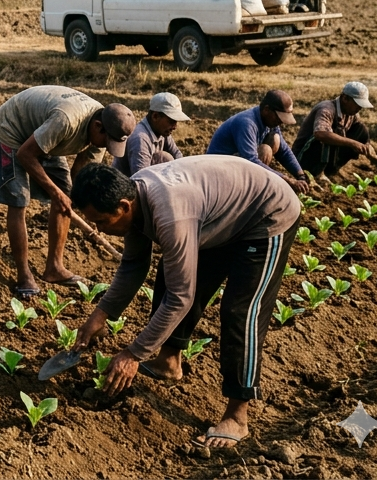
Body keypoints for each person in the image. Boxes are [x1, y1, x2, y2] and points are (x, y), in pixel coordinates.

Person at [70, 157, 300, 449]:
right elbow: (132, 267)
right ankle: (168, 362)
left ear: (124, 206)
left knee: (241, 312)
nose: (99, 229)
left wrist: (133, 353)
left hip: (266, 213)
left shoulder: (170, 214)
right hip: (221, 216)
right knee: (171, 271)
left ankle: (237, 416)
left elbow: (182, 297)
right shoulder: (134, 198)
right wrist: (97, 318)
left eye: (102, 221)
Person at [0, 85, 135, 297]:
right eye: (107, 141)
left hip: (45, 133)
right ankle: (24, 275)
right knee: (18, 199)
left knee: (65, 193)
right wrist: (56, 194)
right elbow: (25, 154)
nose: (107, 146)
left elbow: (80, 176)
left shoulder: (105, 132)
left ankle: (54, 268)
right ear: (97, 127)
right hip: (13, 128)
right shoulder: (66, 121)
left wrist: (76, 201)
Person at [206, 90, 309, 194]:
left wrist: (300, 174)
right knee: (265, 150)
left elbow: (284, 151)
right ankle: (249, 191)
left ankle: (257, 184)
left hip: (237, 163)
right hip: (219, 170)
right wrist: (286, 180)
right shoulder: (246, 123)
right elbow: (251, 160)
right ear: (266, 110)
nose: (281, 122)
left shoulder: (270, 122)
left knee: (275, 139)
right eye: (279, 117)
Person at [293, 81, 377, 180]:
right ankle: (317, 174)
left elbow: (360, 132)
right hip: (303, 158)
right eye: (357, 104)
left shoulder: (352, 113)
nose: (360, 108)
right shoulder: (326, 109)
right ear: (345, 98)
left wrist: (367, 146)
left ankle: (331, 171)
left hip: (324, 156)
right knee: (325, 137)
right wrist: (353, 143)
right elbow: (320, 134)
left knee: (360, 129)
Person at [116, 92, 189, 175]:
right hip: (127, 185)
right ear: (155, 116)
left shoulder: (163, 132)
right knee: (164, 158)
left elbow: (178, 157)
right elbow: (140, 179)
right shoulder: (140, 139)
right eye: (171, 121)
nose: (175, 127)